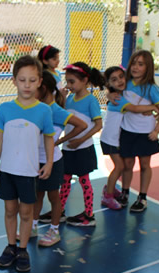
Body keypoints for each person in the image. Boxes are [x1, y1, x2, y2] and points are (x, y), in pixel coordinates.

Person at [0, 55, 54, 272]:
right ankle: (11, 246)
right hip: (8, 171)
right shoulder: (5, 109)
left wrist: (50, 163)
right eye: (22, 80)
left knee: (27, 213)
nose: (27, 85)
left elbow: (48, 138)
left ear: (40, 82)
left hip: (28, 172)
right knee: (9, 210)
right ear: (14, 80)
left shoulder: (44, 110)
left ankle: (23, 248)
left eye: (32, 80)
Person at [110, 50, 159, 212]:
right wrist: (109, 94)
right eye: (134, 63)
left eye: (140, 64)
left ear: (147, 67)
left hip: (145, 133)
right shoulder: (125, 82)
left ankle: (142, 197)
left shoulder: (152, 88)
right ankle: (125, 192)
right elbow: (112, 89)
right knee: (127, 164)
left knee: (144, 164)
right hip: (127, 131)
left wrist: (156, 131)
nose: (135, 67)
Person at [34, 70, 86, 247]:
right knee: (37, 195)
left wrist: (61, 140)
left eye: (35, 86)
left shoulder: (56, 111)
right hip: (36, 160)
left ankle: (54, 231)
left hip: (53, 161)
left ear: (44, 88)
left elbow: (82, 125)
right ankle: (33, 226)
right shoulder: (36, 108)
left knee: (53, 196)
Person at [52, 62, 105, 227]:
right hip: (68, 148)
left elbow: (98, 125)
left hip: (82, 148)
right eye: (67, 81)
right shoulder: (69, 99)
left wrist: (81, 140)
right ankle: (59, 211)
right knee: (65, 179)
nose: (69, 85)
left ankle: (89, 215)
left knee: (84, 180)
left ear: (85, 81)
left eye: (72, 82)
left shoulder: (91, 101)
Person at [100, 66, 159, 210]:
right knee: (120, 166)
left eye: (121, 77)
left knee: (126, 166)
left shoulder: (124, 92)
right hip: (111, 139)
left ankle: (110, 189)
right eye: (114, 79)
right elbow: (134, 108)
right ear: (109, 83)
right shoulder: (118, 98)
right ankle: (107, 196)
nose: (120, 81)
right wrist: (152, 107)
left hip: (116, 138)